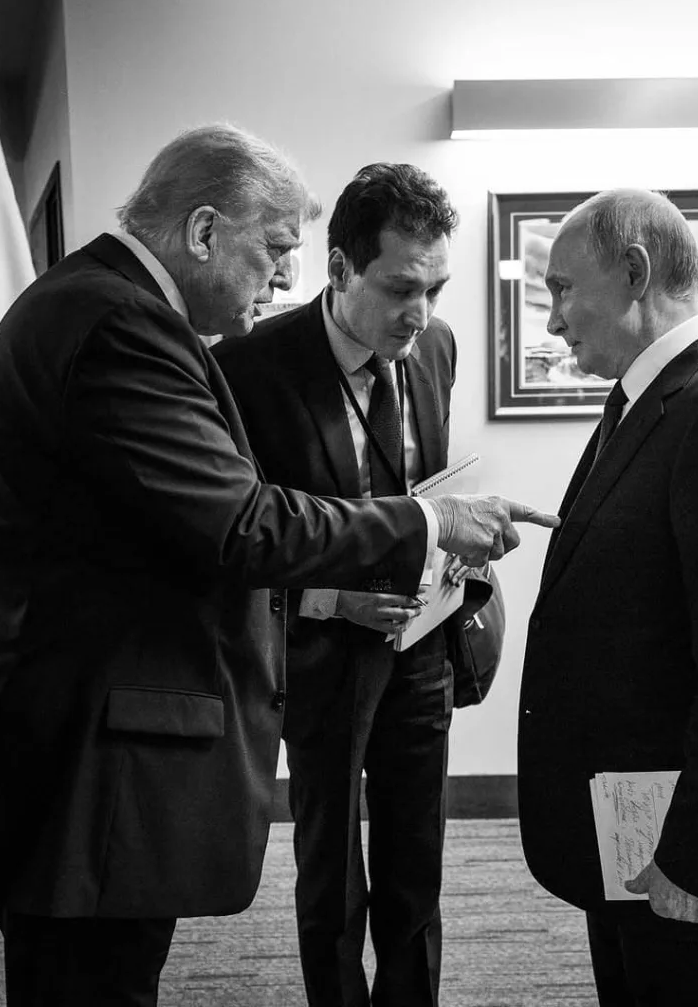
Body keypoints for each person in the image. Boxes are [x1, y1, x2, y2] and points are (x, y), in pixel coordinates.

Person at [0, 124, 558, 1007]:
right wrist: (427, 521)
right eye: (277, 249)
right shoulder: (120, 327)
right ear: (205, 231)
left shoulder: (104, 305)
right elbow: (242, 524)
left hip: (94, 738)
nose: (285, 278)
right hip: (87, 763)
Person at [517, 188, 698, 1007]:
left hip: (688, 862)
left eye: (563, 290)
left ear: (636, 271)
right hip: (630, 842)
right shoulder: (645, 401)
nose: (552, 322)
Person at [217, 162, 466, 1006]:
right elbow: (240, 545)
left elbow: (424, 491)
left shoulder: (435, 347)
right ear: (337, 270)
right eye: (400, 288)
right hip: (317, 653)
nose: (420, 312)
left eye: (435, 286)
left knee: (415, 861)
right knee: (331, 871)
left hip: (423, 646)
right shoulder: (248, 367)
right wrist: (333, 598)